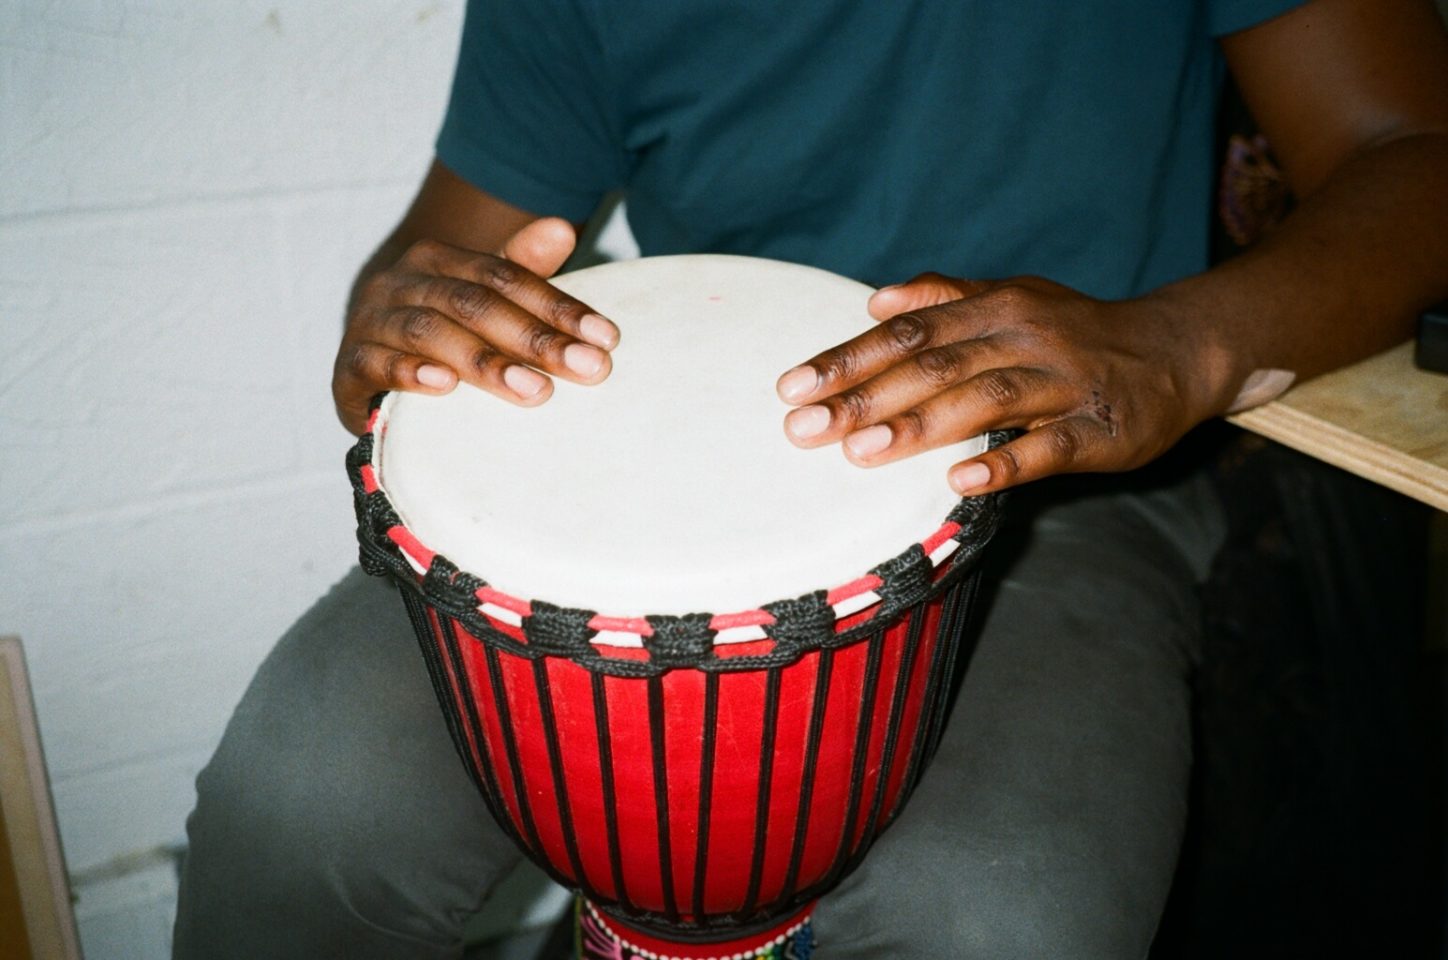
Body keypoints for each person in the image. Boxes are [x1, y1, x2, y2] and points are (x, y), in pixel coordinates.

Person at [173, 1, 1448, 957]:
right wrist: (396, 314)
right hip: (656, 464)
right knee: (295, 812)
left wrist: (1175, 345)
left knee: (992, 916)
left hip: (1067, 485)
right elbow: (426, 261)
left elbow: (1413, 150)